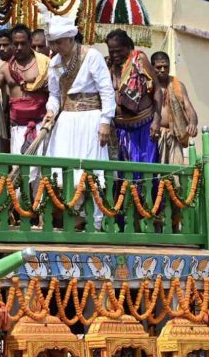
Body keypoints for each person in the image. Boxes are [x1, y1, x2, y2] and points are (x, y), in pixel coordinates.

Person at [42, 18, 116, 229]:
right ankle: (73, 215)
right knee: (63, 170)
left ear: (70, 38)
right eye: (53, 43)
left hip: (90, 120)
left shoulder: (91, 56)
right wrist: (51, 111)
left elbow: (106, 90)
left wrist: (105, 121)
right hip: (66, 121)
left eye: (59, 42)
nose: (55, 47)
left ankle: (96, 221)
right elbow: (55, 95)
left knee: (91, 170)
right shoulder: (54, 62)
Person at [0, 25, 50, 155]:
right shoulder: (6, 68)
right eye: (15, 44)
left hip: (41, 126)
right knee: (18, 165)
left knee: (40, 166)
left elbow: (57, 92)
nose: (19, 47)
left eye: (23, 43)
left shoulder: (44, 64)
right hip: (17, 128)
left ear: (30, 42)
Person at [106, 29, 162, 166]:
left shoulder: (139, 59)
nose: (115, 55)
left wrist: (156, 121)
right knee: (125, 172)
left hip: (144, 127)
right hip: (121, 130)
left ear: (127, 47)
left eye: (118, 51)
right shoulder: (108, 65)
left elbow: (157, 89)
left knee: (146, 169)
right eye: (111, 51)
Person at [150, 52, 198, 165]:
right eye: (158, 67)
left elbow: (189, 108)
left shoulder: (178, 85)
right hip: (153, 137)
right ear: (152, 67)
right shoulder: (148, 85)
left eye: (165, 67)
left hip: (174, 136)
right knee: (155, 172)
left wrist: (192, 123)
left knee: (176, 171)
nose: (162, 70)